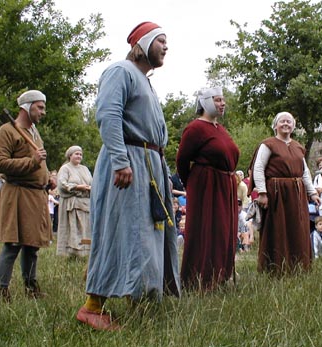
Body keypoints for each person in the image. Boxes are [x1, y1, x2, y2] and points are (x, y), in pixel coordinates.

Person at [76, 22, 180, 331]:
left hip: (148, 164)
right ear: (142, 43)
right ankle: (92, 307)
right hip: (129, 164)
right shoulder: (120, 70)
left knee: (145, 237)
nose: (166, 46)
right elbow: (108, 115)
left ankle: (138, 302)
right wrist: (121, 160)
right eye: (160, 40)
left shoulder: (145, 81)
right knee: (120, 233)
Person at [0, 90, 52, 301]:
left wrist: (47, 176)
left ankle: (31, 288)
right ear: (26, 107)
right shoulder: (6, 131)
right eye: (40, 107)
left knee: (32, 245)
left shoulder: (34, 132)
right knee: (12, 245)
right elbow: (0, 164)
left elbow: (40, 159)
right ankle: (1, 291)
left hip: (36, 196)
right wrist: (33, 162)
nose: (43, 112)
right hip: (17, 194)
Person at [177, 86, 239, 290]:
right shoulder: (195, 128)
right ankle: (199, 278)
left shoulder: (220, 129)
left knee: (223, 231)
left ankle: (220, 274)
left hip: (224, 186)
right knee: (207, 230)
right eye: (218, 100)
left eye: (223, 100)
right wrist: (194, 186)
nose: (222, 104)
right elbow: (182, 160)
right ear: (205, 102)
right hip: (207, 186)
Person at [248, 112, 319, 274]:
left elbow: (304, 172)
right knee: (277, 228)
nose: (286, 124)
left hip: (296, 194)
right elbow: (258, 168)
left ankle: (298, 265)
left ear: (293, 126)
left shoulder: (298, 147)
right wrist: (262, 192)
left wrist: (312, 193)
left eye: (289, 121)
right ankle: (276, 267)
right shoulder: (268, 144)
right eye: (282, 121)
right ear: (275, 125)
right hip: (277, 193)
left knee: (298, 227)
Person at [56, 145, 93, 257]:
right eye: (76, 154)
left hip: (85, 203)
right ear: (70, 155)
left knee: (85, 229)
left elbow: (92, 182)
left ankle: (85, 252)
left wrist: (91, 188)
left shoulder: (85, 169)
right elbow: (62, 184)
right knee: (73, 229)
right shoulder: (65, 168)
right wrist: (77, 187)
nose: (79, 156)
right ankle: (71, 253)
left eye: (80, 154)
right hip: (71, 204)